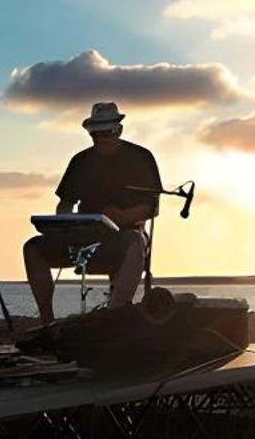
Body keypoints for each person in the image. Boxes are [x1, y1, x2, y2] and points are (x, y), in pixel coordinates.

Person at [23, 101, 162, 324]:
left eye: (107, 133)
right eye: (96, 134)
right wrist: (63, 223)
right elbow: (65, 203)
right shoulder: (80, 161)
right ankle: (47, 321)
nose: (102, 139)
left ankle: (113, 319)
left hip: (127, 233)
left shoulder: (140, 157)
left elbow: (151, 207)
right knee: (33, 248)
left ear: (119, 130)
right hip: (83, 236)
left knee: (134, 245)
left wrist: (122, 217)